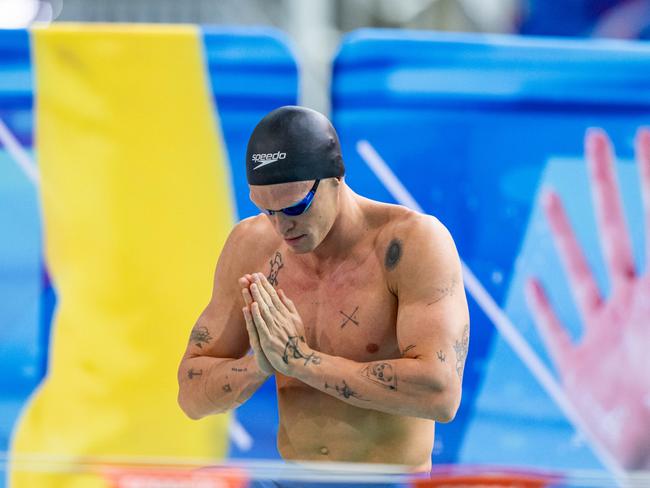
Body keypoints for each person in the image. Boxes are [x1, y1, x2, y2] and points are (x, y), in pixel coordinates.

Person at [177, 106, 470, 472]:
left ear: (335, 178)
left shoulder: (411, 244)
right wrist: (258, 365)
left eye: (295, 207)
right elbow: (190, 397)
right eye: (267, 211)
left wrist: (301, 362)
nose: (282, 227)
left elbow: (441, 394)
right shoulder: (251, 246)